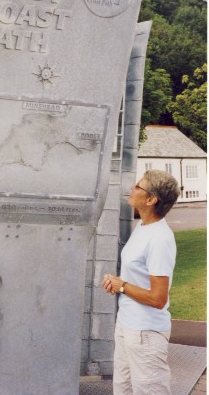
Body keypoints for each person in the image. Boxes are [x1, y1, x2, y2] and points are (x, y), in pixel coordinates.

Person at [102, 169, 180, 395]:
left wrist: (123, 286)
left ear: (151, 199)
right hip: (126, 326)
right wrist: (117, 282)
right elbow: (137, 279)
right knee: (122, 390)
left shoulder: (160, 239)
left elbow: (158, 298)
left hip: (146, 333)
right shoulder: (143, 228)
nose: (132, 189)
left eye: (138, 186)